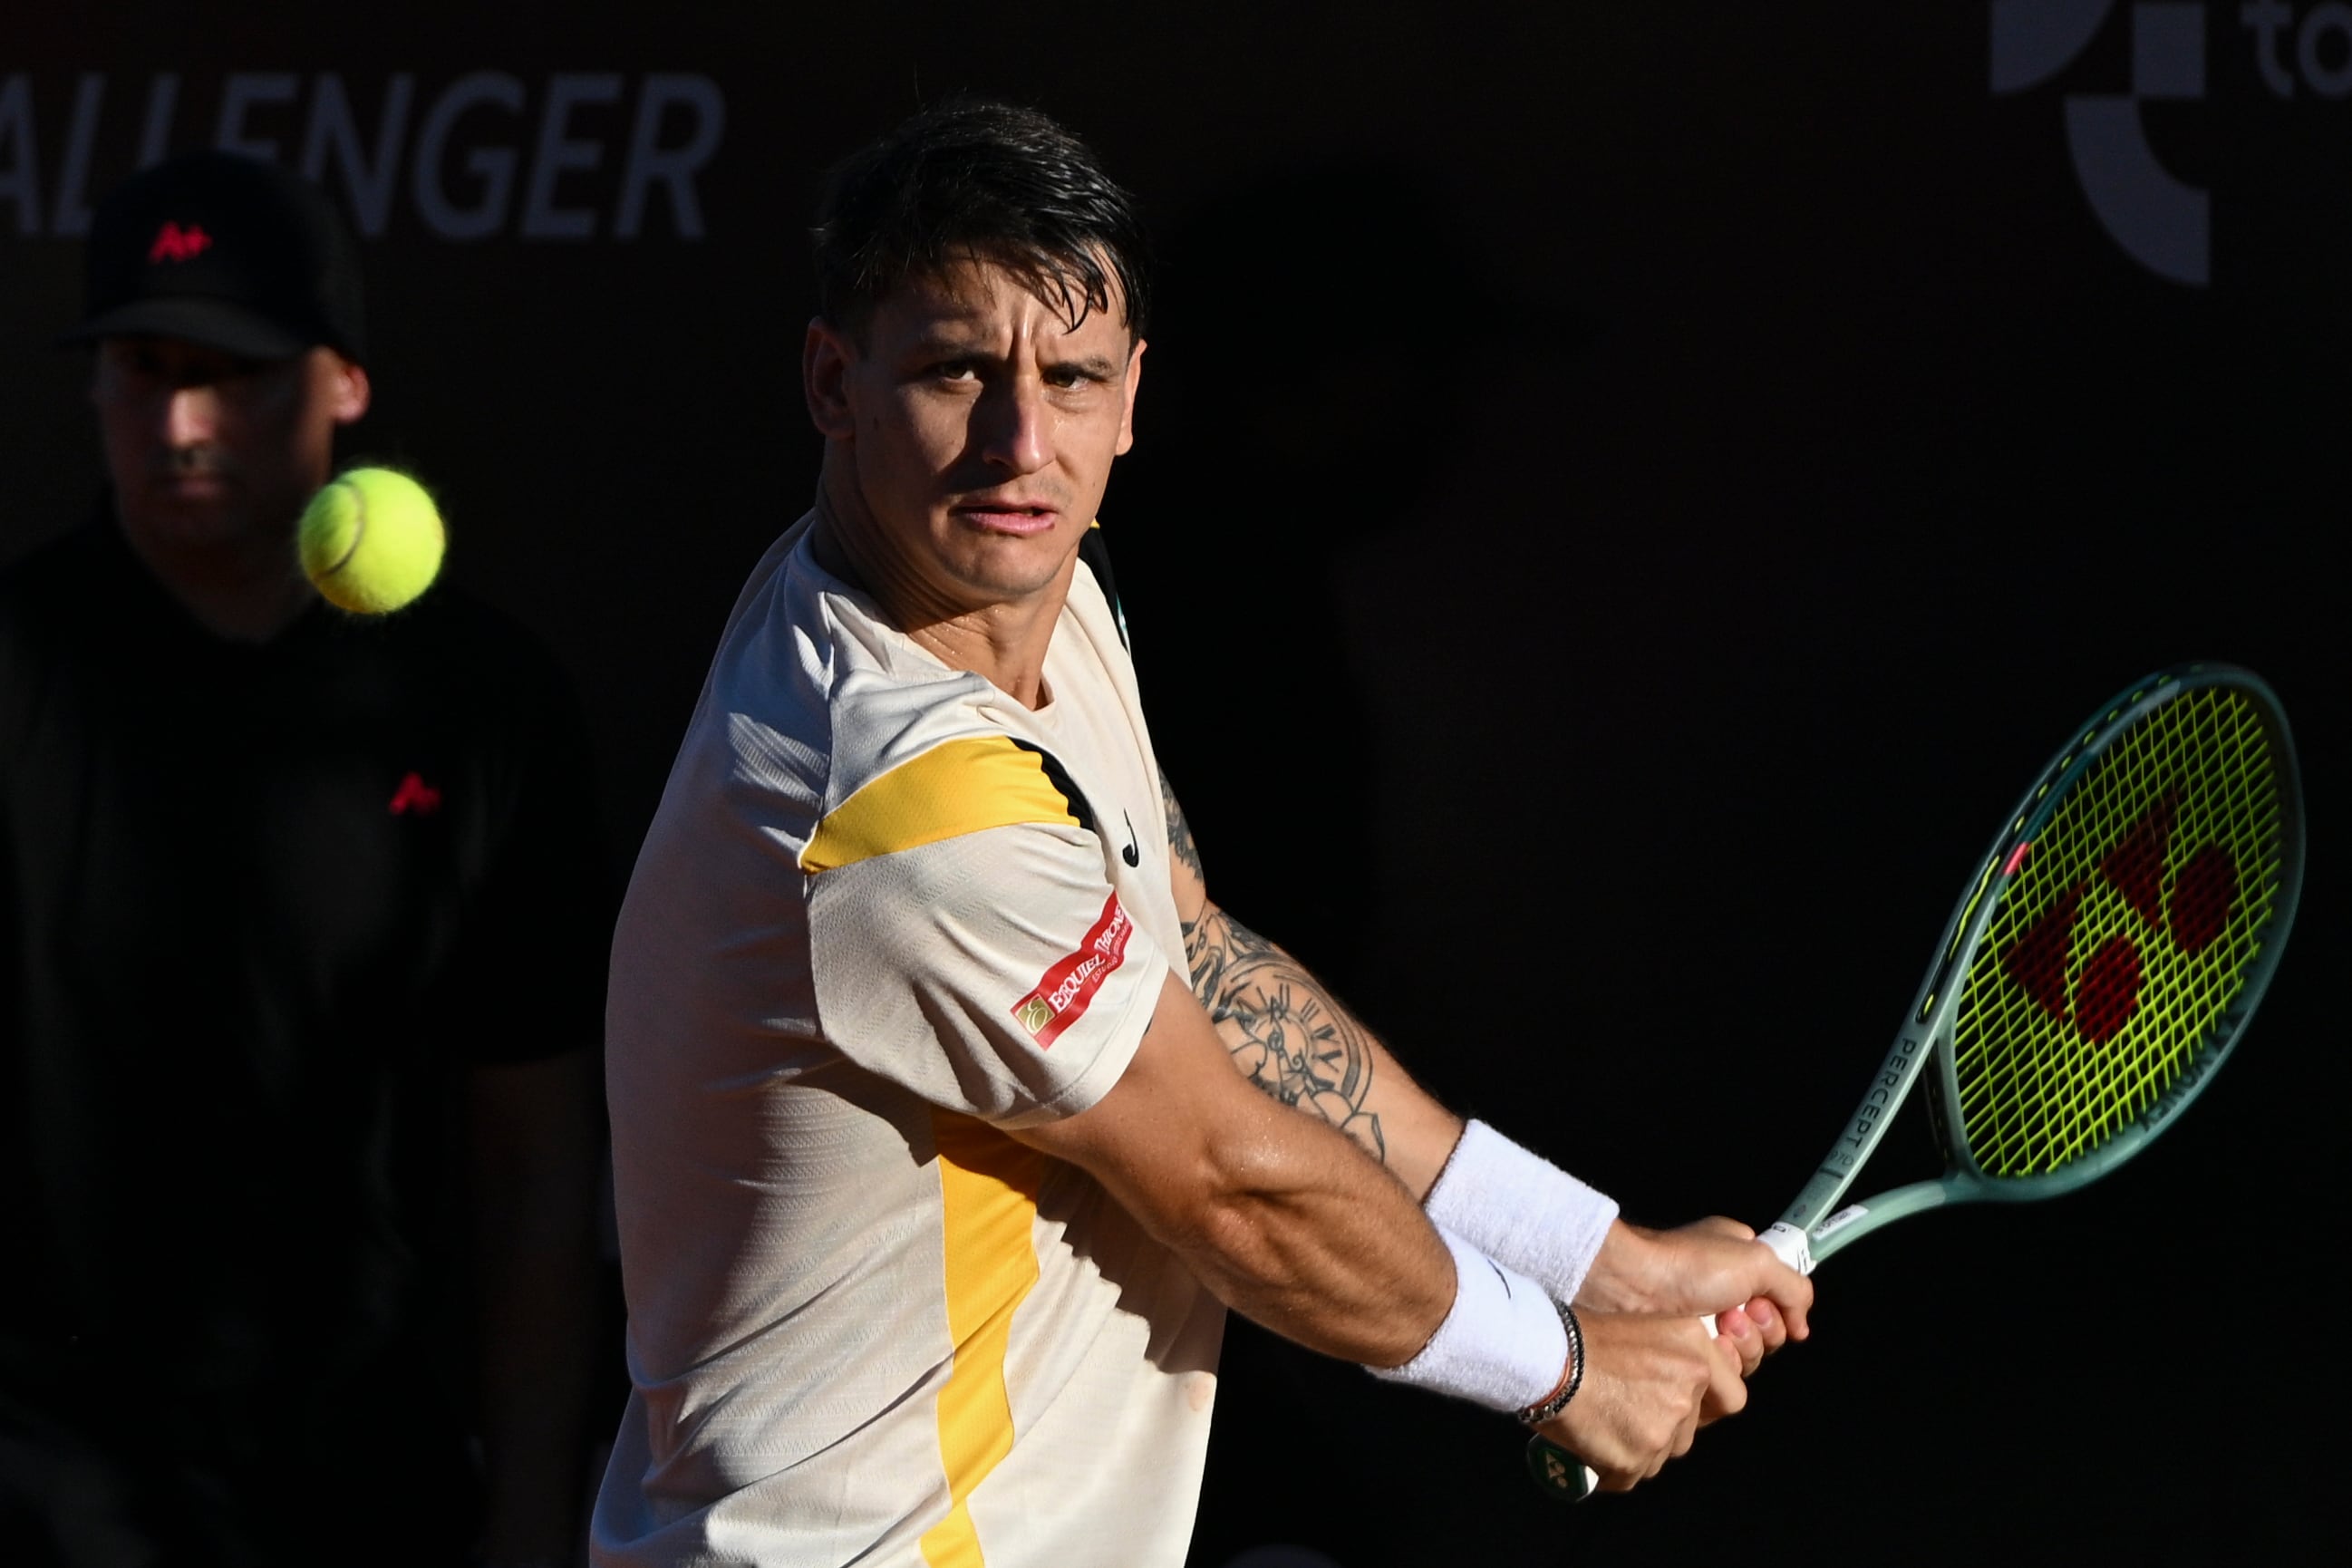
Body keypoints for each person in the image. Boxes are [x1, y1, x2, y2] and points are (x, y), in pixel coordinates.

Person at [593, 102, 1813, 1568]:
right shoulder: (903, 801)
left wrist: (1599, 1259)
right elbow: (1228, 1177)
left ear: (1133, 396)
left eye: (1072, 376)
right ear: (830, 383)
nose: (1019, 441)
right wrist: (1564, 1368)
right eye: (954, 371)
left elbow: (1207, 962)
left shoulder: (1045, 604)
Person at [0, 150, 610, 1568]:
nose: (182, 419)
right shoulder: (16, 667)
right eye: (142, 369)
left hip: (365, 1480)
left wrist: (527, 1508)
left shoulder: (484, 702)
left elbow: (535, 1152)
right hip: (39, 1486)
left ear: (345, 382)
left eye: (234, 370)